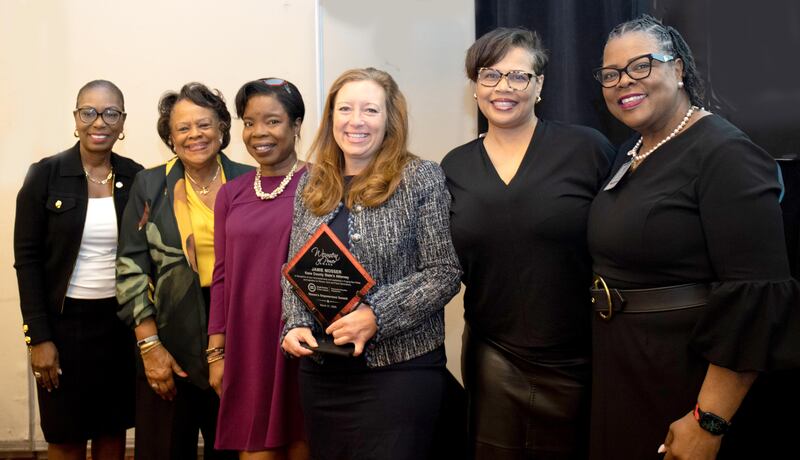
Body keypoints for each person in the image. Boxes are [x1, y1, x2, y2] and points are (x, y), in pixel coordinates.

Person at [587, 14, 800, 459]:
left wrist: (709, 418)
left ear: (679, 69)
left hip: (685, 380)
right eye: (611, 74)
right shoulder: (631, 152)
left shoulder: (726, 154)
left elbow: (756, 296)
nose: (624, 81)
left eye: (641, 65)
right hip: (624, 369)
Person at [440, 27, 615, 459]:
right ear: (475, 86)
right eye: (490, 75)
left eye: (518, 76)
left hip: (580, 355)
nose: (503, 88)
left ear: (539, 85)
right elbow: (439, 264)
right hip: (493, 354)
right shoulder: (454, 166)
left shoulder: (586, 148)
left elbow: (623, 240)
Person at [280, 67, 462, 460]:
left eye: (370, 110)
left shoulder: (420, 177)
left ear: (389, 119)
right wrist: (294, 324)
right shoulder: (310, 184)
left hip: (399, 372)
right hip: (323, 374)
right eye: (345, 109)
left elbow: (444, 273)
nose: (356, 121)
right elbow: (296, 272)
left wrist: (376, 314)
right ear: (331, 118)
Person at [116, 82, 251, 460]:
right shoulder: (150, 184)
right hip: (168, 331)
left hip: (235, 334)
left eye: (204, 124)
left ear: (222, 128)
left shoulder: (250, 181)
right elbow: (131, 267)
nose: (195, 135)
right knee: (164, 448)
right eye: (183, 128)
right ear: (170, 137)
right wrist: (150, 347)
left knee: (235, 448)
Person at [14, 80, 142, 460]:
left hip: (119, 325)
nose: (98, 121)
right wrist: (38, 338)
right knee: (65, 436)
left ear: (122, 123)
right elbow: (28, 261)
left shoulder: (137, 178)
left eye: (110, 113)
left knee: (112, 432)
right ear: (76, 118)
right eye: (89, 111)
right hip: (63, 327)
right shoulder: (45, 175)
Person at [208, 78, 308, 459]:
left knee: (303, 443)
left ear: (296, 125)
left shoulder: (320, 184)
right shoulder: (231, 193)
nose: (259, 133)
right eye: (249, 122)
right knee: (255, 450)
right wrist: (217, 352)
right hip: (248, 346)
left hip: (301, 343)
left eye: (273, 121)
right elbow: (221, 276)